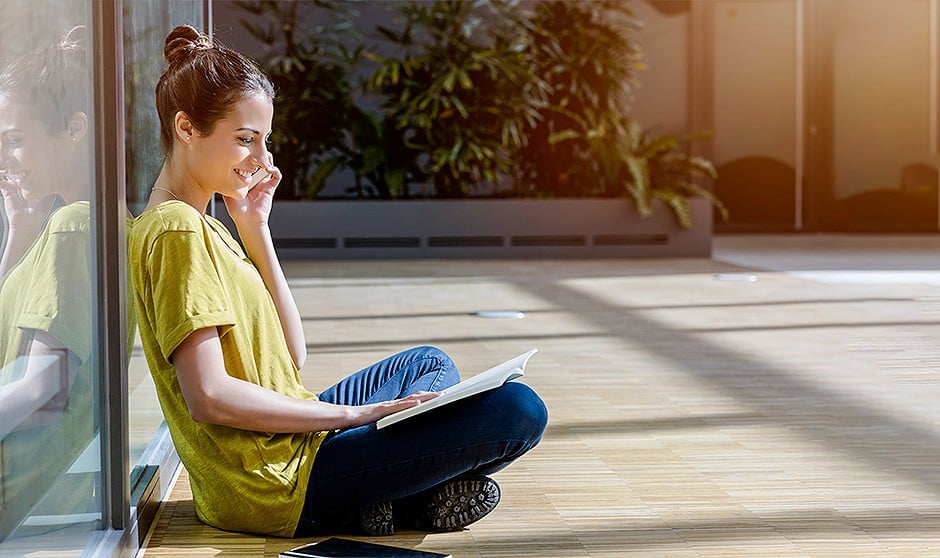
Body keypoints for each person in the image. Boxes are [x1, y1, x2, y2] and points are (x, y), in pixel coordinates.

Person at [129, 24, 548, 538]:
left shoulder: (205, 225)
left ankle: (382, 501)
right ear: (186, 128)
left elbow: (291, 356)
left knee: (428, 364)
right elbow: (209, 395)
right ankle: (399, 502)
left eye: (265, 141)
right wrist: (358, 415)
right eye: (245, 140)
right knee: (518, 410)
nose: (262, 161)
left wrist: (254, 228)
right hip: (276, 484)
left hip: (296, 442)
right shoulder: (175, 232)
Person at [0, 26, 97, 541]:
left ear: (75, 128)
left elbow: (44, 391)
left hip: (14, 489)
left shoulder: (75, 228)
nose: (3, 160)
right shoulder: (71, 223)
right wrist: (20, 233)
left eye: (15, 140)